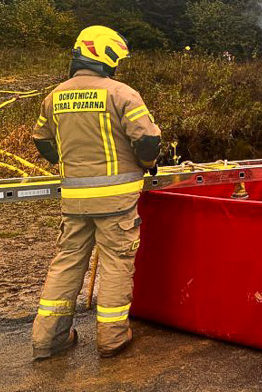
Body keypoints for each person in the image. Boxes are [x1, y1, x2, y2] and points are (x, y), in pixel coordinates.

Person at [31, 26, 161, 359]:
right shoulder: (121, 94)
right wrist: (148, 162)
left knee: (67, 264)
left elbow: (43, 141)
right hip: (116, 202)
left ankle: (48, 341)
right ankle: (112, 339)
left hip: (74, 201)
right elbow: (148, 141)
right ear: (105, 55)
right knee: (117, 264)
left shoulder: (55, 96)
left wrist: (71, 163)